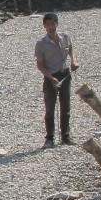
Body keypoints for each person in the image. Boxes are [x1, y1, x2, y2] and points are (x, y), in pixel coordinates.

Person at [35, 12, 77, 147]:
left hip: (65, 74)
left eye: (52, 24)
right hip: (50, 78)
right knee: (50, 109)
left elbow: (70, 49)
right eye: (47, 25)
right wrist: (50, 77)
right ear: (44, 26)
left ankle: (65, 137)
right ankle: (49, 138)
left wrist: (74, 61)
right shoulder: (41, 44)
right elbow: (40, 65)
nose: (50, 27)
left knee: (66, 107)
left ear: (57, 24)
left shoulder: (65, 37)